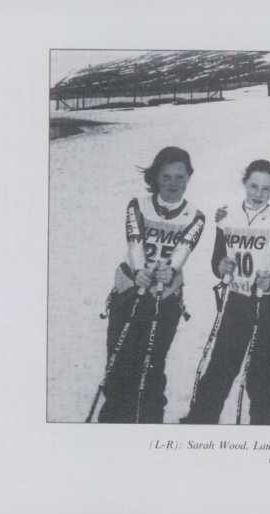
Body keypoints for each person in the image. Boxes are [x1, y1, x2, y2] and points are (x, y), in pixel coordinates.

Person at [98, 146, 205, 423]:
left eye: (180, 177)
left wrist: (170, 271)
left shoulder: (195, 215)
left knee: (151, 368)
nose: (173, 183)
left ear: (189, 177)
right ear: (156, 176)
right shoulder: (138, 205)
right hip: (130, 291)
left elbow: (183, 249)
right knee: (119, 363)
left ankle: (149, 425)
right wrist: (138, 272)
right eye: (166, 176)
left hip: (164, 297)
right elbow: (135, 241)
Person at [181, 160, 270, 424]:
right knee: (221, 366)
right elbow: (217, 258)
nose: (258, 193)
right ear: (244, 183)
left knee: (262, 374)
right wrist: (221, 266)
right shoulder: (227, 214)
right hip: (237, 301)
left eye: (266, 189)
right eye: (253, 186)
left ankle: (266, 430)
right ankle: (200, 422)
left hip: (269, 305)